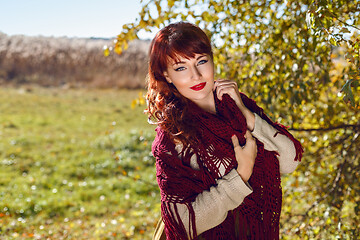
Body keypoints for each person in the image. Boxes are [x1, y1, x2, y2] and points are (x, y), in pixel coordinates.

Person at [146, 22, 303, 240]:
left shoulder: (237, 105)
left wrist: (245, 113)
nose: (196, 75)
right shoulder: (173, 136)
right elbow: (182, 223)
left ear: (212, 61)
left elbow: (290, 160)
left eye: (201, 61)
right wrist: (241, 175)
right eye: (181, 67)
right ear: (167, 75)